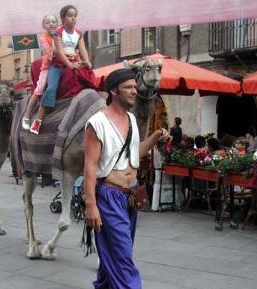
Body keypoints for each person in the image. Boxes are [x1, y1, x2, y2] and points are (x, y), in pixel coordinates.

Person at [84, 68, 168, 289]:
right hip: (109, 196)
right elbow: (90, 167)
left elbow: (135, 152)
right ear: (113, 90)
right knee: (122, 258)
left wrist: (155, 136)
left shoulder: (131, 118)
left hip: (130, 196)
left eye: (135, 86)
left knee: (116, 253)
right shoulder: (97, 123)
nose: (135, 91)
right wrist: (91, 205)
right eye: (129, 87)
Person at [29, 4, 92, 135]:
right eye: (70, 16)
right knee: (51, 88)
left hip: (75, 62)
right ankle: (38, 120)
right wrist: (70, 65)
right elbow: (59, 52)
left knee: (90, 79)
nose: (73, 18)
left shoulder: (78, 33)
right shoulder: (58, 32)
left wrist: (87, 61)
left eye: (75, 16)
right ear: (63, 18)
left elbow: (82, 49)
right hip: (58, 64)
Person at [21, 14, 58, 131]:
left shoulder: (59, 35)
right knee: (39, 89)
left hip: (61, 64)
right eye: (48, 22)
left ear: (57, 24)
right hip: (48, 66)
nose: (51, 24)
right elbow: (51, 53)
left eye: (53, 21)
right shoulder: (43, 38)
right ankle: (27, 115)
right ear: (44, 26)